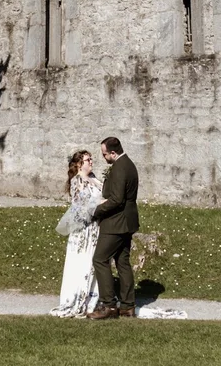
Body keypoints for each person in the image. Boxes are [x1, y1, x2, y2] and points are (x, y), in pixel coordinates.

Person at [87, 136, 139, 320]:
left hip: (115, 223)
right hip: (128, 221)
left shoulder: (119, 169)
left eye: (104, 154)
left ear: (113, 153)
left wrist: (95, 211)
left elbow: (117, 200)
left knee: (100, 259)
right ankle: (127, 306)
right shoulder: (129, 165)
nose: (103, 157)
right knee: (123, 263)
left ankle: (108, 305)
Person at [50, 150, 102, 317]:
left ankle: (93, 298)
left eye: (91, 159)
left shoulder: (94, 178)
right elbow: (79, 207)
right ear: (79, 164)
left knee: (94, 262)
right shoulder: (77, 181)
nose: (91, 162)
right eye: (88, 160)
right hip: (83, 229)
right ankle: (77, 297)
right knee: (82, 261)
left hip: (95, 227)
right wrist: (100, 204)